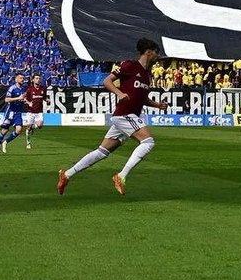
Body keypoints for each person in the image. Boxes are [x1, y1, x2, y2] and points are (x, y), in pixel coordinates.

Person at [57, 38, 169, 196]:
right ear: (148, 52)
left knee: (101, 152)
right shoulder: (130, 65)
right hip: (124, 114)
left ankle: (67, 174)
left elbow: (140, 97)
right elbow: (107, 81)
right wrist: (119, 93)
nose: (158, 57)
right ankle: (121, 176)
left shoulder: (146, 74)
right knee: (148, 142)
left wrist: (156, 105)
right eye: (157, 53)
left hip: (128, 116)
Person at [0, 73, 27, 156]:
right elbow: (6, 99)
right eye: (20, 78)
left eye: (23, 78)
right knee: (5, 130)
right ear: (16, 79)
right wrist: (18, 98)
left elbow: (21, 100)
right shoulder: (12, 88)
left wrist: (27, 102)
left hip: (18, 113)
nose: (22, 79)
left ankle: (5, 142)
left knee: (19, 130)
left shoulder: (22, 89)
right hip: (10, 112)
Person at [24, 74, 46, 149]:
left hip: (39, 111)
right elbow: (24, 99)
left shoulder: (43, 89)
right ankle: (28, 142)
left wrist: (47, 100)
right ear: (33, 80)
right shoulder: (29, 89)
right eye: (36, 78)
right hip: (30, 111)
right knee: (29, 127)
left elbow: (45, 97)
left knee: (40, 125)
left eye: (39, 78)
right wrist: (28, 103)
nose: (38, 80)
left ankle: (32, 127)